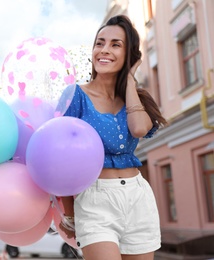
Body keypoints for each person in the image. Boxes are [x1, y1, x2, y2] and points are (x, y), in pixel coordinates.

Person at [59, 15, 167, 260]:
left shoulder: (136, 98)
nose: (104, 50)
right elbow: (62, 158)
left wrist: (129, 81)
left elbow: (139, 129)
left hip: (138, 196)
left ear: (129, 55)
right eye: (100, 43)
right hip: (95, 198)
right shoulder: (75, 95)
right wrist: (69, 212)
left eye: (115, 44)